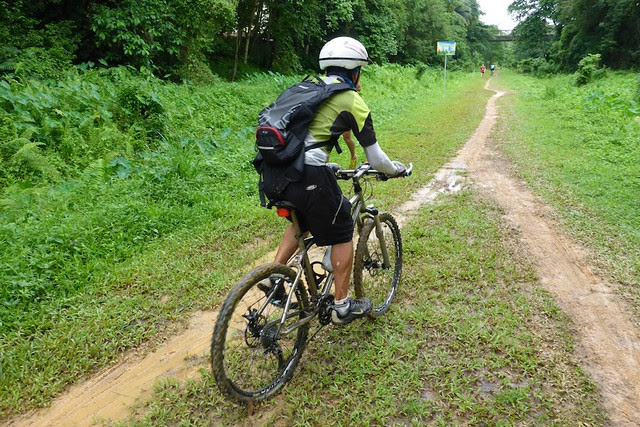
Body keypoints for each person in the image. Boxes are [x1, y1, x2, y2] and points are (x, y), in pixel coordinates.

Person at [261, 36, 407, 325]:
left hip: (275, 172)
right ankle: (341, 306)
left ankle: (273, 277)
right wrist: (396, 169)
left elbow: (305, 137)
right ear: (355, 71)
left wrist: (324, 163)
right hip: (308, 174)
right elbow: (376, 159)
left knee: (301, 220)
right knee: (342, 230)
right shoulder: (350, 99)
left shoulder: (308, 89)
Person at [342, 81, 361, 169]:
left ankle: (353, 157)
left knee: (347, 138)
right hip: (336, 110)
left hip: (348, 110)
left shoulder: (351, 77)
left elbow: (358, 88)